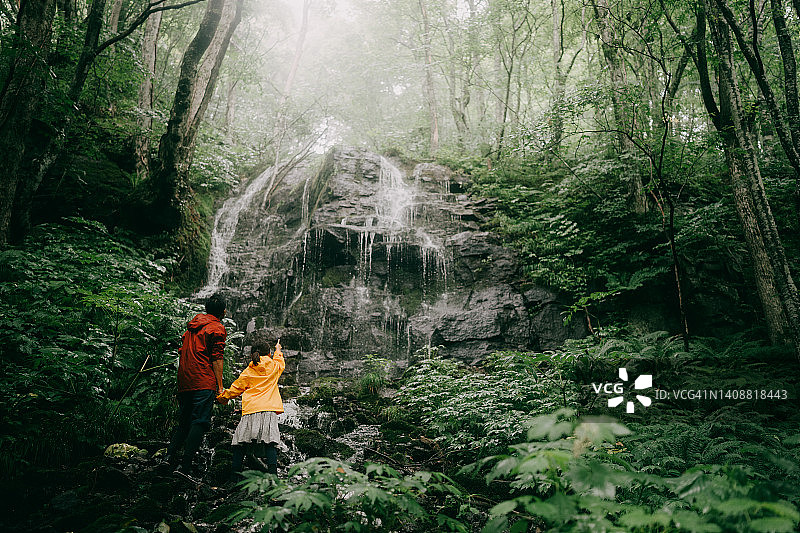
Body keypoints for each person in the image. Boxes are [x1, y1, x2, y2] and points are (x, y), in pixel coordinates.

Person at [165, 293, 227, 479]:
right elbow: (217, 358)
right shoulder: (217, 328)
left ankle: (168, 458)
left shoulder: (191, 328)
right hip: (203, 381)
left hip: (185, 380)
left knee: (184, 422)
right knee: (200, 421)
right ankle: (184, 467)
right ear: (223, 312)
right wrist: (220, 386)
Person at [217, 339, 285, 477]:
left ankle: (235, 476)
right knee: (270, 442)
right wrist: (278, 349)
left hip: (250, 410)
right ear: (269, 353)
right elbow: (280, 361)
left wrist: (222, 398)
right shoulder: (274, 366)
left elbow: (235, 388)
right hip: (268, 410)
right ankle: (274, 478)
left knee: (241, 442)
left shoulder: (248, 371)